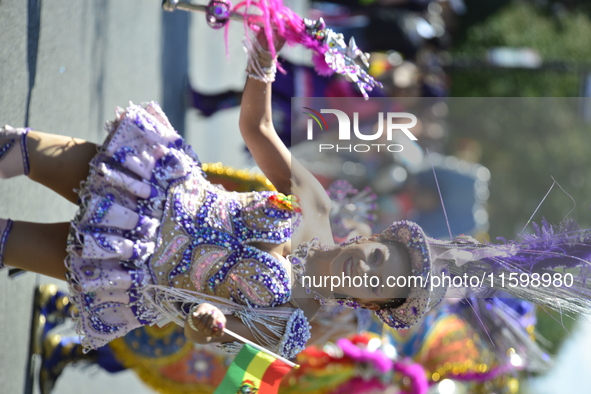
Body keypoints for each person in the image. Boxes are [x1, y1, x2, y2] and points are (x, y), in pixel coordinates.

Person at [2, 29, 590, 366]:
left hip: (132, 273)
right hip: (148, 187)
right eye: (382, 255)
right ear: (374, 240)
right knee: (18, 148)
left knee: (7, 244)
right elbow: (257, 129)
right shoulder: (315, 206)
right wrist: (264, 52)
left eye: (381, 279)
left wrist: (208, 325)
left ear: (373, 302)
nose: (368, 264)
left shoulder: (294, 326)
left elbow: (208, 333)